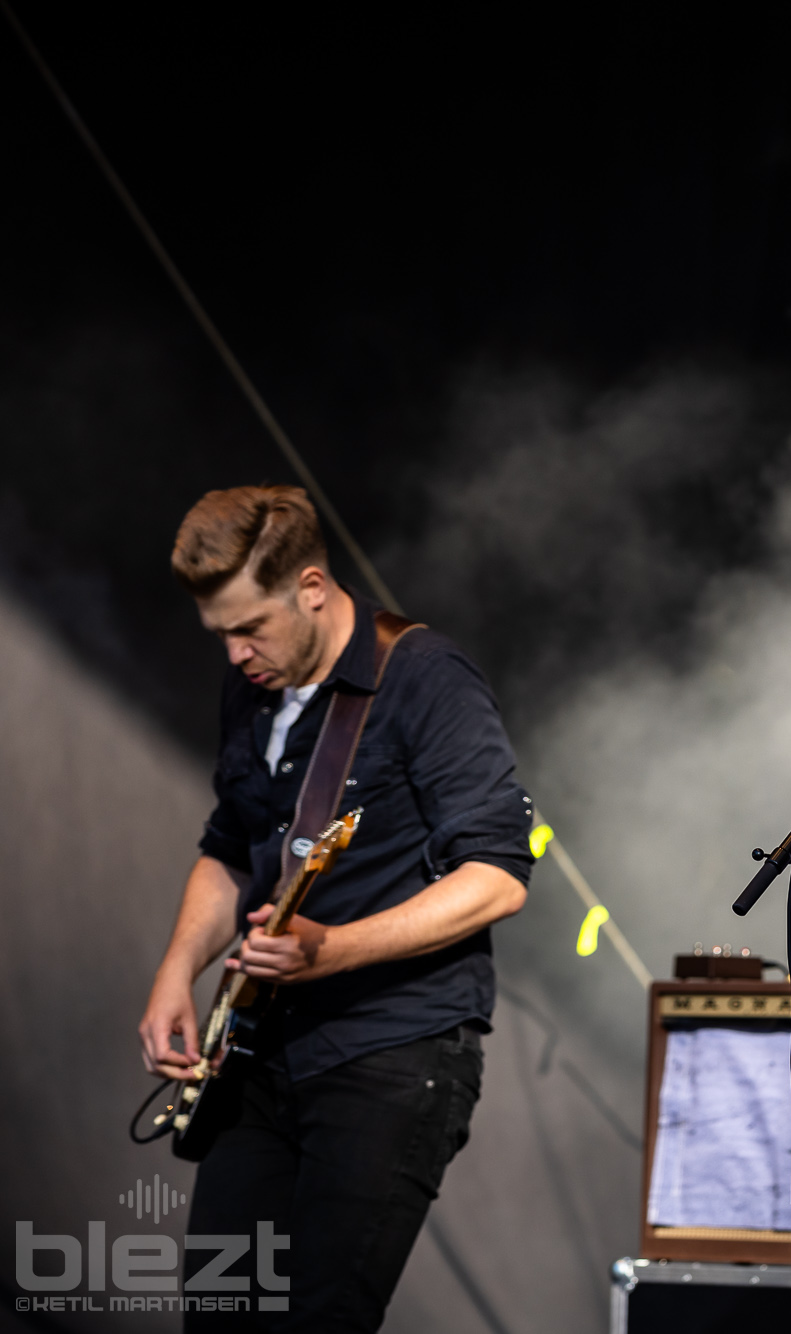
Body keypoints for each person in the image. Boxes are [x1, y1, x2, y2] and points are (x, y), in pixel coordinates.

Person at [137, 486, 534, 1331]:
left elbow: (498, 876)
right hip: (260, 1053)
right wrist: (177, 970)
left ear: (312, 588)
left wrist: (335, 949)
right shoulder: (250, 690)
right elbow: (227, 847)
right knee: (218, 1314)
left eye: (252, 628)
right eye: (221, 636)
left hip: (391, 1055)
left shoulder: (425, 678)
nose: (239, 654)